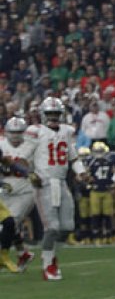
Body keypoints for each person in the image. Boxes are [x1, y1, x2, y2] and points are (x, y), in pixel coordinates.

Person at [25, 97, 88, 281]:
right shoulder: (35, 131)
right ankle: (48, 264)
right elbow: (25, 156)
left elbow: (73, 157)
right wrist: (30, 173)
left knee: (67, 226)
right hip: (43, 183)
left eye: (56, 114)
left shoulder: (67, 131)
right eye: (50, 114)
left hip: (61, 182)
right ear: (43, 115)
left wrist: (81, 172)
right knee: (51, 227)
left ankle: (51, 254)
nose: (53, 117)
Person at [0, 116, 36, 271]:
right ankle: (22, 253)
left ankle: (5, 257)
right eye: (12, 132)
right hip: (5, 190)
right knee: (9, 224)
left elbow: (16, 165)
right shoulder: (1, 144)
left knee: (10, 222)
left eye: (19, 132)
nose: (15, 136)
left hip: (25, 189)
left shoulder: (32, 145)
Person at [87, 141, 115, 244]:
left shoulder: (109, 162)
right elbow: (86, 175)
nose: (99, 153)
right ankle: (96, 236)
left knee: (107, 214)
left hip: (107, 190)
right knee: (96, 214)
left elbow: (114, 174)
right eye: (97, 151)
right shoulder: (90, 162)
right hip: (95, 190)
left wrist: (112, 185)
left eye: (100, 151)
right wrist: (88, 180)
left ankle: (108, 235)